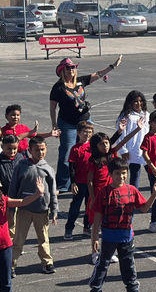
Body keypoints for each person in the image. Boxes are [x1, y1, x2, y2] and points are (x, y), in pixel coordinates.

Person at [88, 157, 156, 292]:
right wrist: (94, 239)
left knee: (128, 265)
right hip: (109, 236)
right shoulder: (104, 193)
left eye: (124, 173)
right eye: (117, 173)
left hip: (126, 236)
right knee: (103, 265)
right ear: (111, 174)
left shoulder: (132, 190)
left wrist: (154, 194)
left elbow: (144, 208)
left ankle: (132, 290)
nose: (121, 176)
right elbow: (97, 219)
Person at [49, 56, 121, 193]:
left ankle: (90, 177)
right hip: (67, 124)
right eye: (68, 68)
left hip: (86, 122)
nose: (71, 70)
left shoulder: (81, 81)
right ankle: (63, 185)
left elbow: (98, 75)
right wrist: (54, 125)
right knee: (67, 153)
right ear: (62, 71)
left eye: (73, 68)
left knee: (91, 149)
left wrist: (112, 66)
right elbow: (52, 107)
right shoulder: (58, 88)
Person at [10, 137, 59, 275]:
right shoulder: (21, 166)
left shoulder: (48, 169)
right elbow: (13, 188)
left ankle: (47, 262)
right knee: (18, 238)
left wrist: (54, 209)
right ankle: (11, 264)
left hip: (41, 210)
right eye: (37, 150)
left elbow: (53, 191)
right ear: (30, 150)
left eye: (42, 149)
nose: (40, 152)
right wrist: (11, 208)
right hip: (24, 209)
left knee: (43, 238)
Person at [64, 121, 94, 239]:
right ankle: (69, 228)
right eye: (85, 132)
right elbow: (71, 167)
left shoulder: (93, 147)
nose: (87, 134)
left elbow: (109, 143)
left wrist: (119, 132)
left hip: (91, 182)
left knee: (89, 205)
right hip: (80, 182)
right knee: (75, 206)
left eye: (90, 132)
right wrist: (73, 182)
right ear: (78, 133)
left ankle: (87, 226)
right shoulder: (75, 149)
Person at [114, 90, 149, 188]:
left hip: (146, 149)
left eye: (140, 101)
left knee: (152, 172)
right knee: (135, 174)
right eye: (135, 101)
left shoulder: (146, 115)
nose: (138, 104)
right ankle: (134, 197)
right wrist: (123, 150)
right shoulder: (127, 116)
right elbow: (120, 134)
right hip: (133, 151)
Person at [0, 134, 22, 236]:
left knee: (19, 216)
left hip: (19, 193)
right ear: (2, 146)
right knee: (9, 215)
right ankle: (10, 237)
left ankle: (16, 238)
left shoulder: (20, 157)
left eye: (15, 148)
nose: (12, 151)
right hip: (5, 194)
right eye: (9, 148)